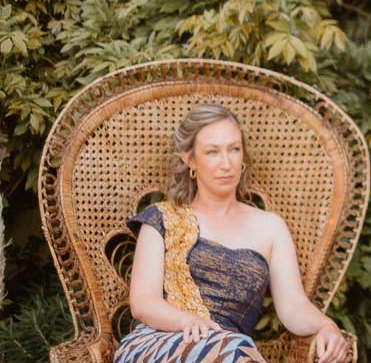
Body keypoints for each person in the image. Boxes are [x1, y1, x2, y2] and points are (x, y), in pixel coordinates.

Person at [117, 103, 349, 363]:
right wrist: (188, 321)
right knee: (235, 348)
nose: (226, 163)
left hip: (230, 352)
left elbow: (293, 306)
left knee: (233, 349)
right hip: (159, 343)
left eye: (234, 149)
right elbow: (142, 302)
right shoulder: (160, 218)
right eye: (212, 152)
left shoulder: (270, 227)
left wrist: (327, 326)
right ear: (189, 158)